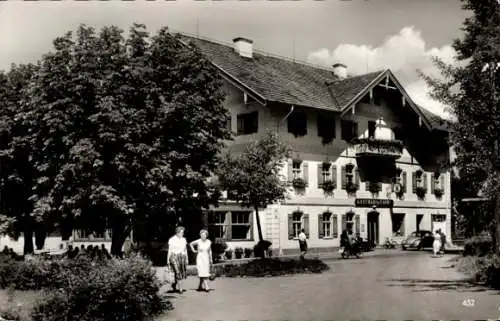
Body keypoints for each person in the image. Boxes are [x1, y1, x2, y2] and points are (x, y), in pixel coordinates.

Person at [167, 226, 188, 293]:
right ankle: (180, 288)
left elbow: (185, 250)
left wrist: (187, 259)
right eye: (181, 232)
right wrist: (167, 260)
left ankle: (174, 284)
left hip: (182, 257)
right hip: (174, 257)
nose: (183, 234)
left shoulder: (184, 239)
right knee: (177, 272)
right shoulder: (172, 240)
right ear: (177, 232)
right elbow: (169, 250)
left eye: (183, 232)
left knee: (179, 272)